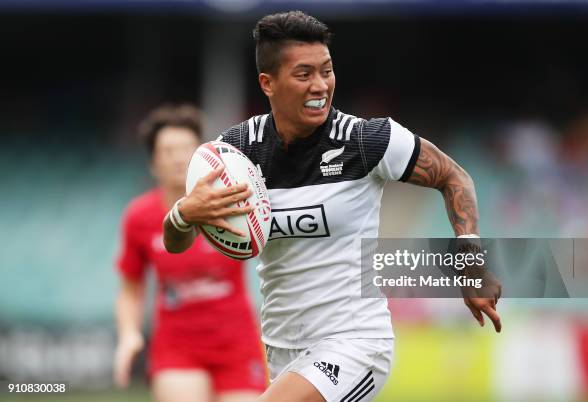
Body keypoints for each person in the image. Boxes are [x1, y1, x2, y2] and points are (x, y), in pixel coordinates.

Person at [164, 12, 502, 402]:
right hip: (283, 349)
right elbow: (176, 241)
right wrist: (184, 213)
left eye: (327, 70)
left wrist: (471, 260)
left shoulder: (366, 140)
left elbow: (454, 177)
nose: (321, 85)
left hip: (355, 343)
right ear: (267, 83)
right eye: (304, 74)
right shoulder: (236, 153)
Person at [114, 104, 266, 402]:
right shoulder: (139, 216)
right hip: (177, 347)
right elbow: (130, 289)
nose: (177, 158)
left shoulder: (232, 203)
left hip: (237, 342)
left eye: (185, 148)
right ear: (153, 163)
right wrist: (128, 335)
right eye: (167, 151)